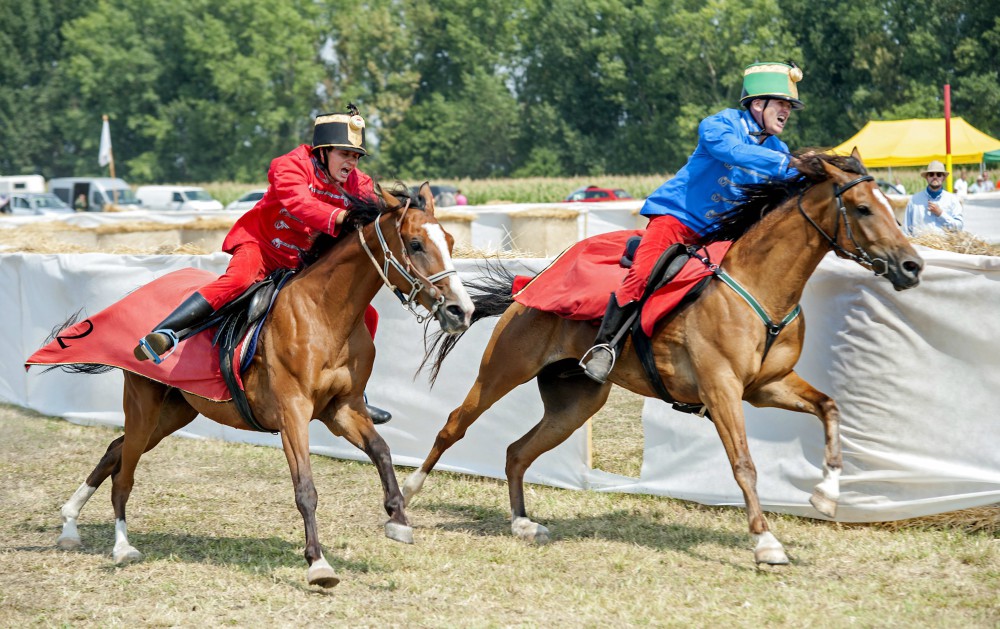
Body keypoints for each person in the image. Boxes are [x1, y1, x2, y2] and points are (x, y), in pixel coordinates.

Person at [133, 104, 393, 423]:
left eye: (356, 157)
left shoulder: (359, 183)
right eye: (345, 154)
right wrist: (340, 216)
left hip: (300, 262)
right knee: (237, 281)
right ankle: (165, 334)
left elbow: (379, 214)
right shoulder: (289, 165)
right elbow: (298, 202)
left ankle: (356, 394)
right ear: (323, 152)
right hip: (261, 247)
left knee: (365, 311)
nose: (351, 163)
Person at [581, 61, 807, 384]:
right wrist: (789, 162)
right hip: (677, 221)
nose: (787, 112)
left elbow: (793, 180)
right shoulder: (718, 125)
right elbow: (733, 152)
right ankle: (604, 348)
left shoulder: (777, 148)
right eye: (782, 104)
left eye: (789, 106)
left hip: (722, 235)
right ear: (759, 103)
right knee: (642, 275)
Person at [903, 160, 964, 236]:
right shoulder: (914, 200)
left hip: (944, 247)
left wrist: (941, 214)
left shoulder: (952, 200)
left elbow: (959, 227)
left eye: (938, 174)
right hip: (920, 247)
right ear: (927, 177)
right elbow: (906, 231)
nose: (935, 177)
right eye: (931, 174)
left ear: (943, 178)